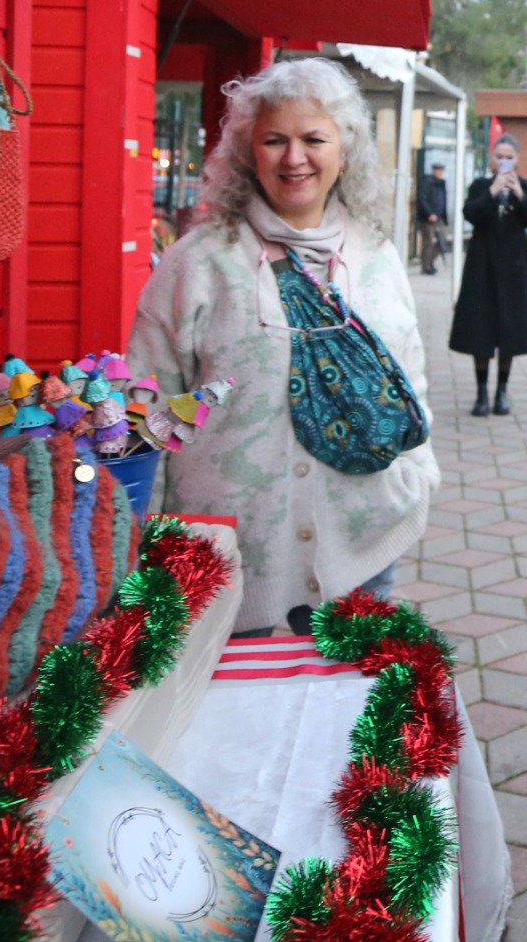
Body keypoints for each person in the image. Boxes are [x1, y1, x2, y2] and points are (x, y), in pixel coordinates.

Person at [126, 58, 439, 635]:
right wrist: (147, 529)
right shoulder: (198, 263)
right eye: (274, 140)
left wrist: (417, 474)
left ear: (344, 149)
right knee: (228, 691)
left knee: (347, 691)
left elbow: (410, 376)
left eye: (313, 139)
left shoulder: (376, 256)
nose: (294, 158)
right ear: (249, 151)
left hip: (360, 541)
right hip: (223, 555)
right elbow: (146, 403)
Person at [448, 134, 527, 415]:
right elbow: (471, 214)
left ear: (517, 159)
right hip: (482, 267)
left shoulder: (525, 186)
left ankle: (502, 391)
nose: (503, 161)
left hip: (514, 268)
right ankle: (481, 394)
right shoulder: (480, 185)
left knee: (510, 331)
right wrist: (493, 190)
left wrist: (518, 193)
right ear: (491, 159)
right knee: (481, 329)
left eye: (509, 157)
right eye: (499, 156)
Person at [415, 162, 448, 274]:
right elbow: (422, 199)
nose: (440, 173)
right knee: (428, 241)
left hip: (439, 217)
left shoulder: (441, 183)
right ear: (434, 171)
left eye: (442, 171)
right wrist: (429, 213)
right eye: (438, 171)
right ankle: (425, 266)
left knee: (442, 240)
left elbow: (443, 199)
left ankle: (430, 262)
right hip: (428, 218)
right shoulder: (427, 181)